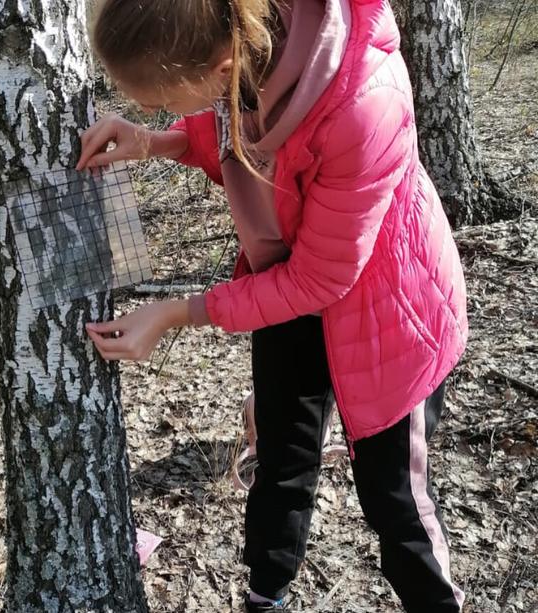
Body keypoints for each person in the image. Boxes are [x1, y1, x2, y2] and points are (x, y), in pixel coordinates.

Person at [77, 0, 468, 611]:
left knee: (393, 498)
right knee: (281, 460)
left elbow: (320, 277)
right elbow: (245, 128)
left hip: (389, 313)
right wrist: (154, 141)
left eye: (155, 99)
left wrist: (179, 312)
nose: (149, 109)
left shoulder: (363, 99)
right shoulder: (250, 49)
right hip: (293, 287)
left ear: (222, 65)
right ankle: (265, 597)